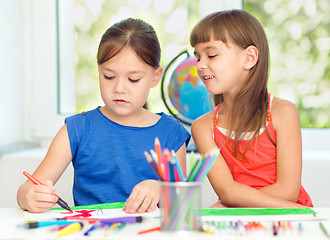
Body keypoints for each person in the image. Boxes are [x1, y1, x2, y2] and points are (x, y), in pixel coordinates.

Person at [17, 18, 190, 213]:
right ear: (99, 71)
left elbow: (182, 205)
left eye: (133, 79)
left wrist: (160, 188)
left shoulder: (171, 132)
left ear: (155, 77)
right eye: (109, 76)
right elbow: (28, 188)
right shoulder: (77, 129)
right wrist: (28, 197)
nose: (119, 88)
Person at [190, 10, 312, 208]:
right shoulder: (202, 127)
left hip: (287, 218)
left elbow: (288, 191)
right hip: (240, 220)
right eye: (198, 57)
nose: (201, 65)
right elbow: (226, 190)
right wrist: (229, 200)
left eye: (211, 55)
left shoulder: (283, 113)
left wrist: (229, 204)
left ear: (249, 58)